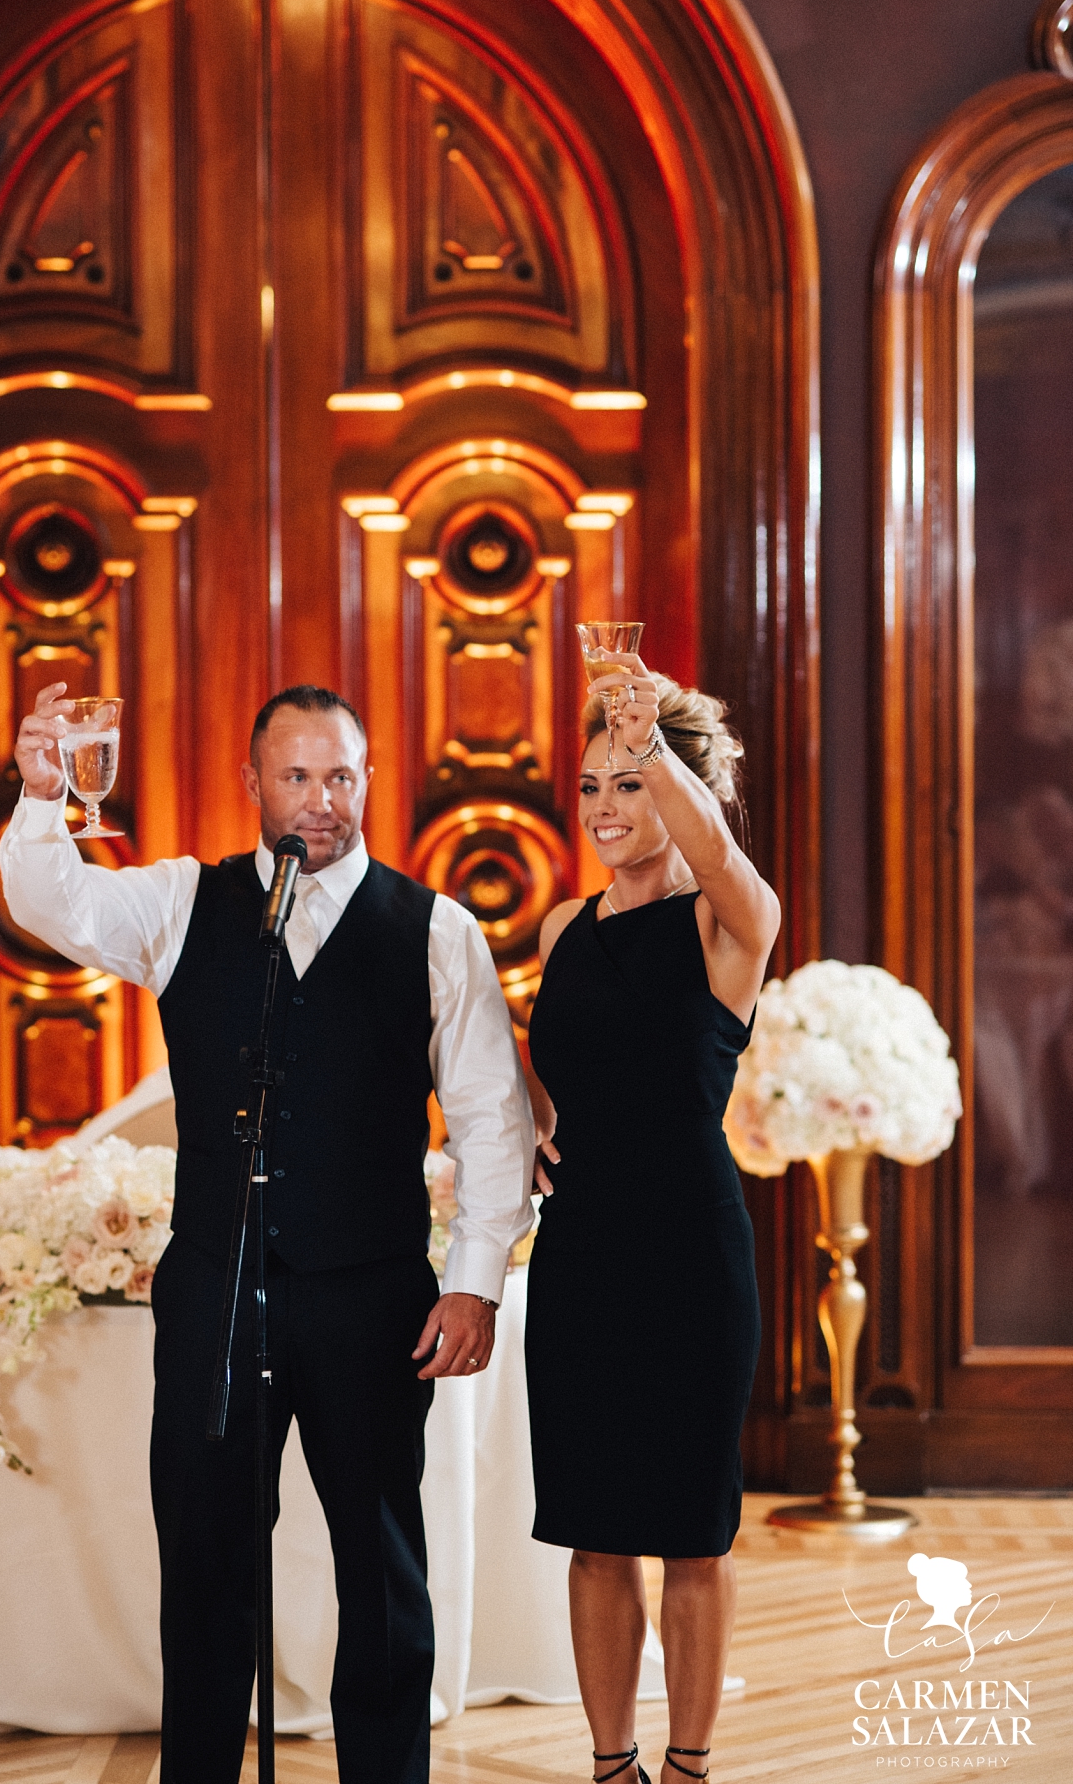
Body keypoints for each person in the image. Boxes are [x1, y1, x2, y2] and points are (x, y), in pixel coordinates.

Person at [0, 681, 535, 1784]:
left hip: (373, 1292)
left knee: (382, 1571)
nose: (321, 801)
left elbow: (492, 1118)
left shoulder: (438, 930)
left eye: (341, 775)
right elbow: (52, 902)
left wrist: (473, 1281)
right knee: (204, 1564)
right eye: (296, 777)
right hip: (215, 1285)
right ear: (254, 783)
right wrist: (43, 795)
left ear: (369, 779)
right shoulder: (180, 903)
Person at [523, 656, 779, 1784]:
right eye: (591, 785)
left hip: (689, 1256)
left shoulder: (733, 922)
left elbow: (717, 854)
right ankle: (609, 1765)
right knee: (592, 1528)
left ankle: (687, 1767)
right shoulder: (561, 927)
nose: (603, 809)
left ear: (684, 786)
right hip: (580, 1255)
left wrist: (651, 734)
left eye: (629, 782)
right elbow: (551, 1061)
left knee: (691, 1530)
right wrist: (532, 1119)